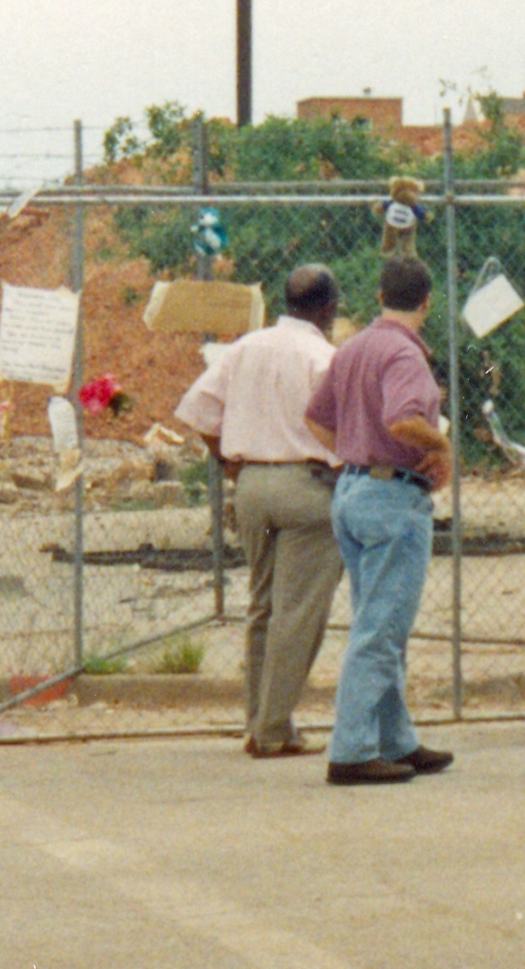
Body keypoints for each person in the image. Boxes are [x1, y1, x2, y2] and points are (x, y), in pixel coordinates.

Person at [172, 262, 342, 759]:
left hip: (250, 486)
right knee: (300, 612)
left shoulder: (244, 347)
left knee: (263, 606)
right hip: (306, 486)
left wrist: (227, 459)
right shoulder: (323, 356)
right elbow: (338, 429)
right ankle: (271, 729)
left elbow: (198, 408)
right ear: (328, 309)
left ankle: (263, 721)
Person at [308, 256, 453, 786]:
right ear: (427, 302)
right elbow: (403, 419)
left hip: (351, 491)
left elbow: (314, 418)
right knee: (381, 628)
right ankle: (350, 749)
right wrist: (442, 447)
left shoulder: (354, 348)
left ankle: (396, 739)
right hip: (393, 499)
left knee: (378, 618)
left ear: (380, 296)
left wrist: (354, 454)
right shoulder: (405, 355)